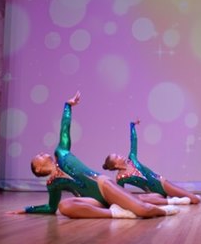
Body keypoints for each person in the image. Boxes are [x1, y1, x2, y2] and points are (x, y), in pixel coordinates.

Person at [10, 91, 178, 219]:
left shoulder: (61, 152)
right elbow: (51, 208)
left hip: (102, 186)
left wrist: (67, 107)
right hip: (93, 201)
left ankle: (165, 211)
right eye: (38, 156)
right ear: (38, 169)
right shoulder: (52, 184)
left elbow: (65, 129)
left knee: (143, 210)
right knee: (64, 206)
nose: (41, 153)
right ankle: (114, 213)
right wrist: (27, 210)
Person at [102, 120, 201, 205]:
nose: (120, 155)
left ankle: (174, 198)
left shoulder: (132, 159)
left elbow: (134, 141)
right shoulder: (120, 178)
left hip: (161, 183)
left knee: (195, 200)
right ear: (116, 164)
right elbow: (122, 194)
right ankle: (172, 201)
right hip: (153, 194)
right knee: (141, 199)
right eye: (117, 157)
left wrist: (132, 126)